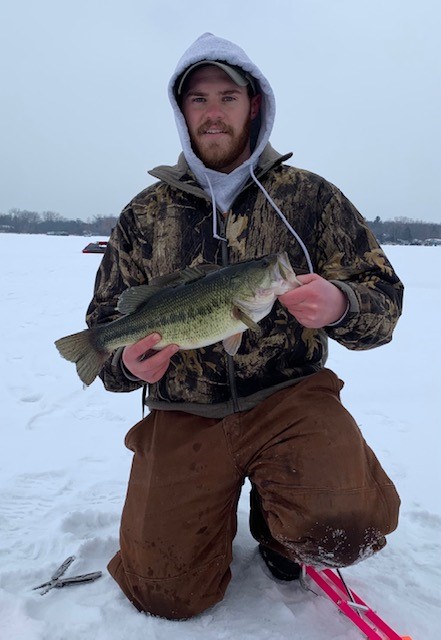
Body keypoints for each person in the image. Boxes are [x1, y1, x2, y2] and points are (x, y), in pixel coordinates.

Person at [86, 33, 403, 620]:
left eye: (227, 96)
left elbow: (384, 298)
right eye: (198, 99)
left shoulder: (310, 198)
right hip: (185, 409)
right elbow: (105, 323)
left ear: (252, 105)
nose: (213, 111)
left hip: (290, 397)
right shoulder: (143, 215)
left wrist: (341, 304)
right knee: (165, 592)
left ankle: (278, 518)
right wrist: (124, 364)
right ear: (182, 113)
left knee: (342, 529)